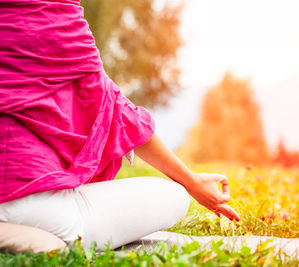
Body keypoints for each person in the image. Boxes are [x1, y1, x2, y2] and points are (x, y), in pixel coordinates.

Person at [0, 0, 239, 250]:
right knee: (175, 196)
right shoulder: (57, 15)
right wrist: (192, 182)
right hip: (32, 204)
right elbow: (118, 114)